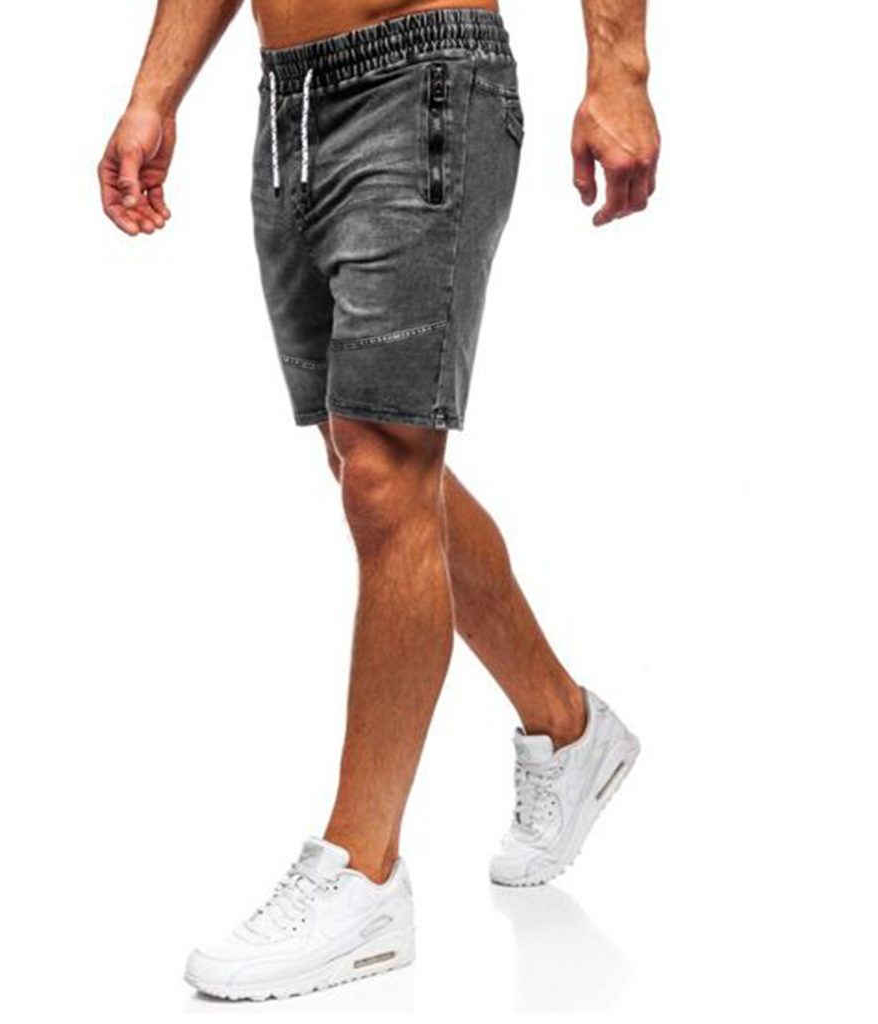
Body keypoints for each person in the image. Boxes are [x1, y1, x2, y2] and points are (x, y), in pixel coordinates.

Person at [99, 0, 659, 1002]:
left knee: (384, 464)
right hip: (292, 103)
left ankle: (363, 873)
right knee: (364, 451)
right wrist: (154, 94)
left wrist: (620, 68)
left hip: (425, 78)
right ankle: (568, 727)